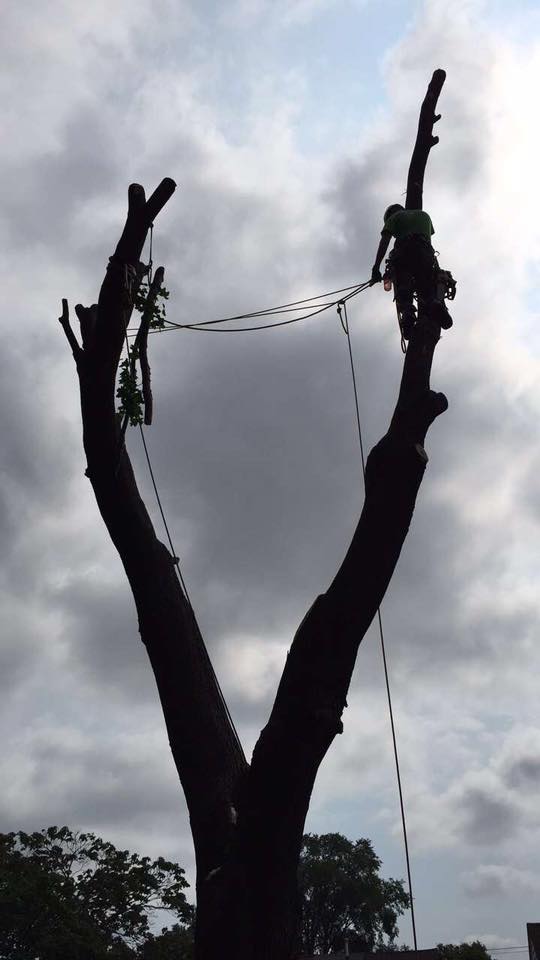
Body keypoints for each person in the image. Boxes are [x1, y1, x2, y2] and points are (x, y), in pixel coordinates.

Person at [371, 203, 453, 339]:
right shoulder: (424, 215)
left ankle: (408, 312)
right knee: (426, 283)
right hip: (425, 253)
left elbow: (385, 241)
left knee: (404, 286)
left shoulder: (394, 217)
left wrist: (376, 268)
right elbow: (428, 237)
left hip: (404, 252)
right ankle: (434, 302)